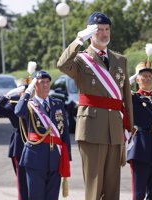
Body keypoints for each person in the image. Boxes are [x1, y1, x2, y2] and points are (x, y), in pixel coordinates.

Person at [57, 12, 133, 200]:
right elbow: (62, 64)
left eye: (107, 30)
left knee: (112, 186)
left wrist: (130, 126)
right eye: (99, 30)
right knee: (94, 185)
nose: (104, 34)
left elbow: (126, 97)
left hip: (114, 129)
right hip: (92, 128)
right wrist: (78, 40)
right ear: (91, 33)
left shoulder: (120, 60)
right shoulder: (81, 59)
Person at [14, 70, 71, 200]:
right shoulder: (29, 105)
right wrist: (28, 91)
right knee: (36, 196)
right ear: (35, 85)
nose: (46, 85)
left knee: (52, 197)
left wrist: (67, 157)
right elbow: (18, 111)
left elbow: (65, 132)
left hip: (55, 158)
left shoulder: (58, 104)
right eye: (41, 82)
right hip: (35, 158)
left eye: (47, 82)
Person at [127, 46, 152, 200]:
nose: (148, 78)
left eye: (150, 76)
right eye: (143, 76)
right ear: (137, 80)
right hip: (140, 149)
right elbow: (117, 94)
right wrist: (128, 83)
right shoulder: (133, 98)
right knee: (138, 194)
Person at [0, 78, 28, 200]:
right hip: (20, 146)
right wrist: (7, 96)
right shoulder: (14, 104)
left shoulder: (39, 103)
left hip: (38, 146)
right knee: (22, 182)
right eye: (24, 89)